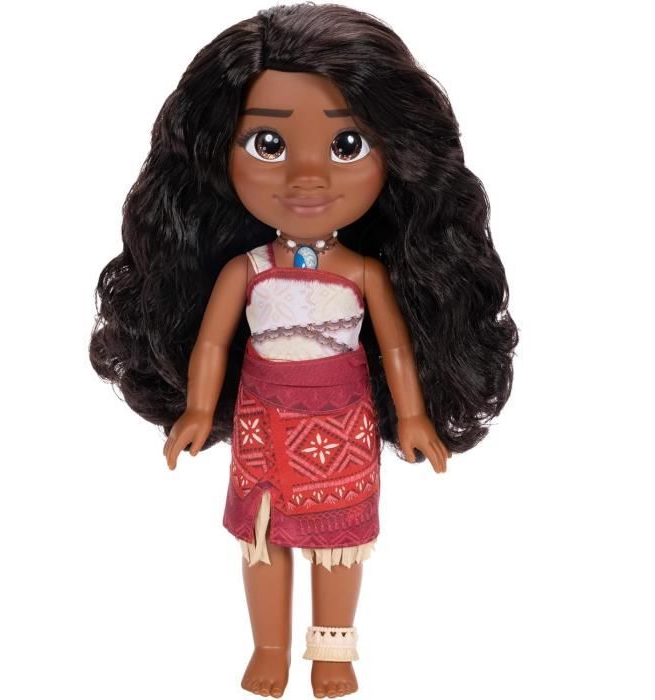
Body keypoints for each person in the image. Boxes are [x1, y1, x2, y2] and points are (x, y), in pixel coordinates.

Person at [89, 4, 519, 697]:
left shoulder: (364, 273)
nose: (308, 176)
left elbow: (397, 349)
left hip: (342, 421)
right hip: (263, 421)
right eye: (269, 144)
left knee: (339, 543)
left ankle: (333, 650)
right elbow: (212, 341)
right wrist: (197, 409)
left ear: (397, 156)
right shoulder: (247, 270)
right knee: (262, 537)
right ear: (218, 155)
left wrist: (413, 417)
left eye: (347, 145)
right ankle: (269, 646)